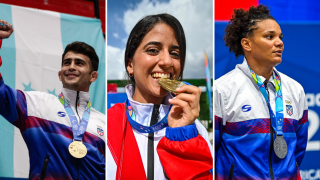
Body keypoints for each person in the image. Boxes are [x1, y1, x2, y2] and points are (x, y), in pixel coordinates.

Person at [107, 13, 213, 180]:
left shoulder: (196, 130)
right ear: (130, 65)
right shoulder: (106, 123)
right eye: (153, 50)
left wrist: (182, 136)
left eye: (175, 54)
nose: (167, 61)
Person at [0, 20, 105, 179]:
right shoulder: (36, 105)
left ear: (93, 76)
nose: (71, 66)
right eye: (66, 62)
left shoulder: (105, 124)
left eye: (79, 63)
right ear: (60, 74)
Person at [214, 5, 308, 180]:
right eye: (269, 36)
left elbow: (299, 149)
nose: (279, 42)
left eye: (280, 37)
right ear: (247, 44)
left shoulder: (296, 89)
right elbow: (213, 149)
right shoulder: (223, 89)